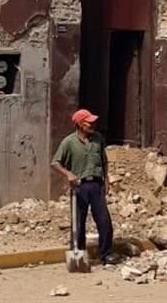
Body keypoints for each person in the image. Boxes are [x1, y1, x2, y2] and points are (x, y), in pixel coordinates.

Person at [51, 108, 115, 265]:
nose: (93, 124)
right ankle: (79, 254)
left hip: (97, 185)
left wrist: (106, 180)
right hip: (79, 187)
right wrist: (68, 174)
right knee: (78, 224)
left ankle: (105, 254)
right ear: (79, 124)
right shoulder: (68, 142)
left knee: (104, 221)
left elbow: (104, 160)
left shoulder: (98, 139)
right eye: (89, 122)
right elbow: (55, 163)